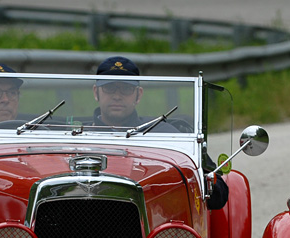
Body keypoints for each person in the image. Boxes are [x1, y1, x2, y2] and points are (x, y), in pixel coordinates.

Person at [91, 55, 228, 209]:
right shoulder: (76, 137)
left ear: (138, 95)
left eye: (126, 89)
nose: (117, 96)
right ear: (96, 92)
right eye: (109, 88)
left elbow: (218, 193)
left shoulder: (166, 134)